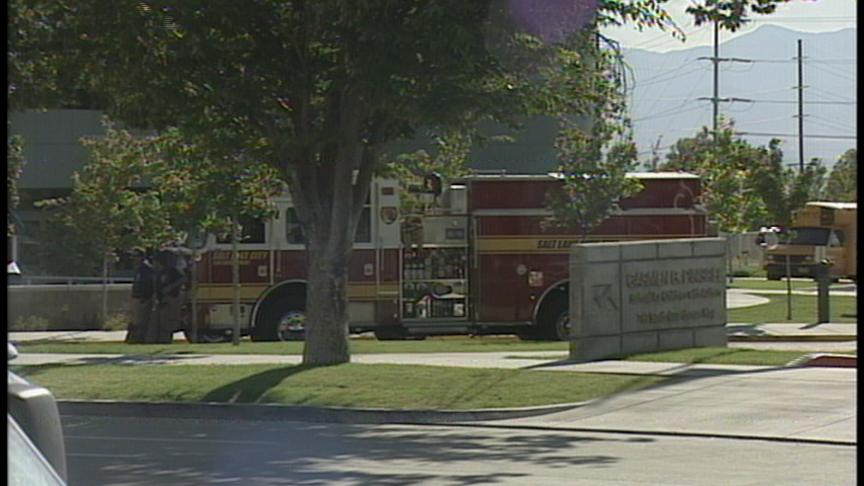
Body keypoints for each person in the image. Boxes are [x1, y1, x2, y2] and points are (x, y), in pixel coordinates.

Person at [126, 252, 156, 344]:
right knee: (135, 321)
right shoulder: (139, 270)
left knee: (141, 321)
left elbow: (149, 285)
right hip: (137, 298)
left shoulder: (146, 270)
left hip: (143, 299)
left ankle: (140, 339)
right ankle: (134, 339)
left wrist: (145, 297)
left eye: (136, 256)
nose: (134, 259)